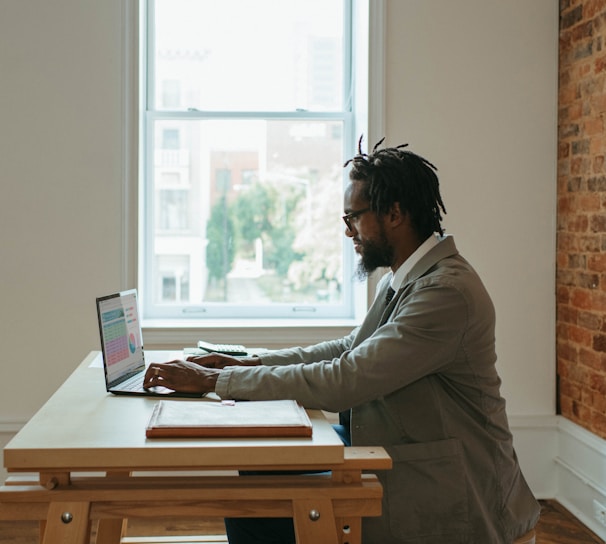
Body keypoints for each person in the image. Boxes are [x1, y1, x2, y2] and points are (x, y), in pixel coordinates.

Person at [144, 137, 540, 543]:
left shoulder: (445, 294)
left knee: (256, 503)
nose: (349, 231)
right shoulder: (404, 279)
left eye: (353, 217)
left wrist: (214, 383)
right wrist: (248, 365)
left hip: (454, 489)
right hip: (397, 449)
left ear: (395, 214)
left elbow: (346, 379)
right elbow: (348, 349)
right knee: (256, 478)